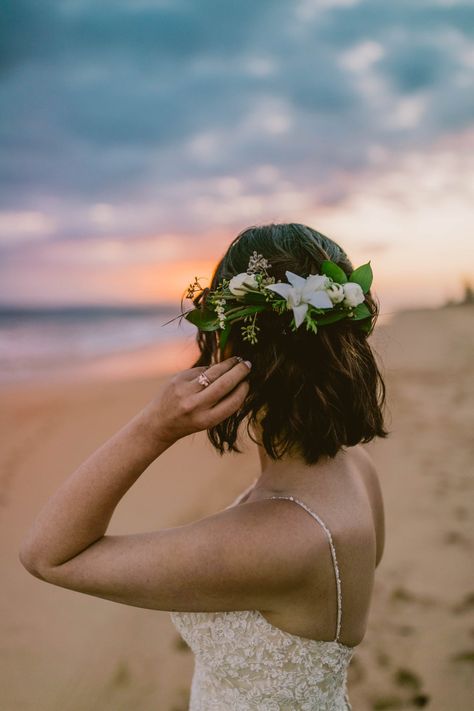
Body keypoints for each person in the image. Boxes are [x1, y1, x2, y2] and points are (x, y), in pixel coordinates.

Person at [19, 222, 388, 710]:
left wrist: (154, 428)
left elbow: (48, 555)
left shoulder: (284, 537)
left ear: (233, 343)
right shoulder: (354, 469)